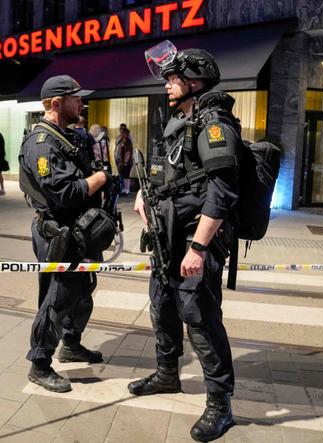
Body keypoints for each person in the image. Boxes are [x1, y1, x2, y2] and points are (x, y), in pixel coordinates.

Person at [128, 43, 241, 442]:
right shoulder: (180, 121)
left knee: (200, 318)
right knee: (162, 306)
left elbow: (223, 189)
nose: (167, 84)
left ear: (194, 81)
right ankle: (166, 374)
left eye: (173, 78)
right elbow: (174, 175)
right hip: (168, 236)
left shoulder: (215, 123)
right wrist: (148, 195)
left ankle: (220, 405)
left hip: (196, 237)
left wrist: (198, 247)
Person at [19, 75, 111, 393]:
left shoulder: (64, 137)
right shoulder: (41, 144)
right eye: (76, 98)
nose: (81, 103)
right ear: (57, 104)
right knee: (57, 298)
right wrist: (100, 178)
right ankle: (40, 363)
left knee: (82, 289)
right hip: (58, 234)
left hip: (79, 232)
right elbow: (66, 193)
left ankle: (71, 343)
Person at [115, 127, 134, 196]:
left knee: (126, 176)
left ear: (126, 133)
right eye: (121, 132)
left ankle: (126, 190)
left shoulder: (127, 141)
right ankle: (124, 190)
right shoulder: (122, 140)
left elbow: (128, 152)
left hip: (126, 162)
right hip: (122, 162)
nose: (121, 134)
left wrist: (125, 162)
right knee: (123, 176)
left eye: (122, 132)